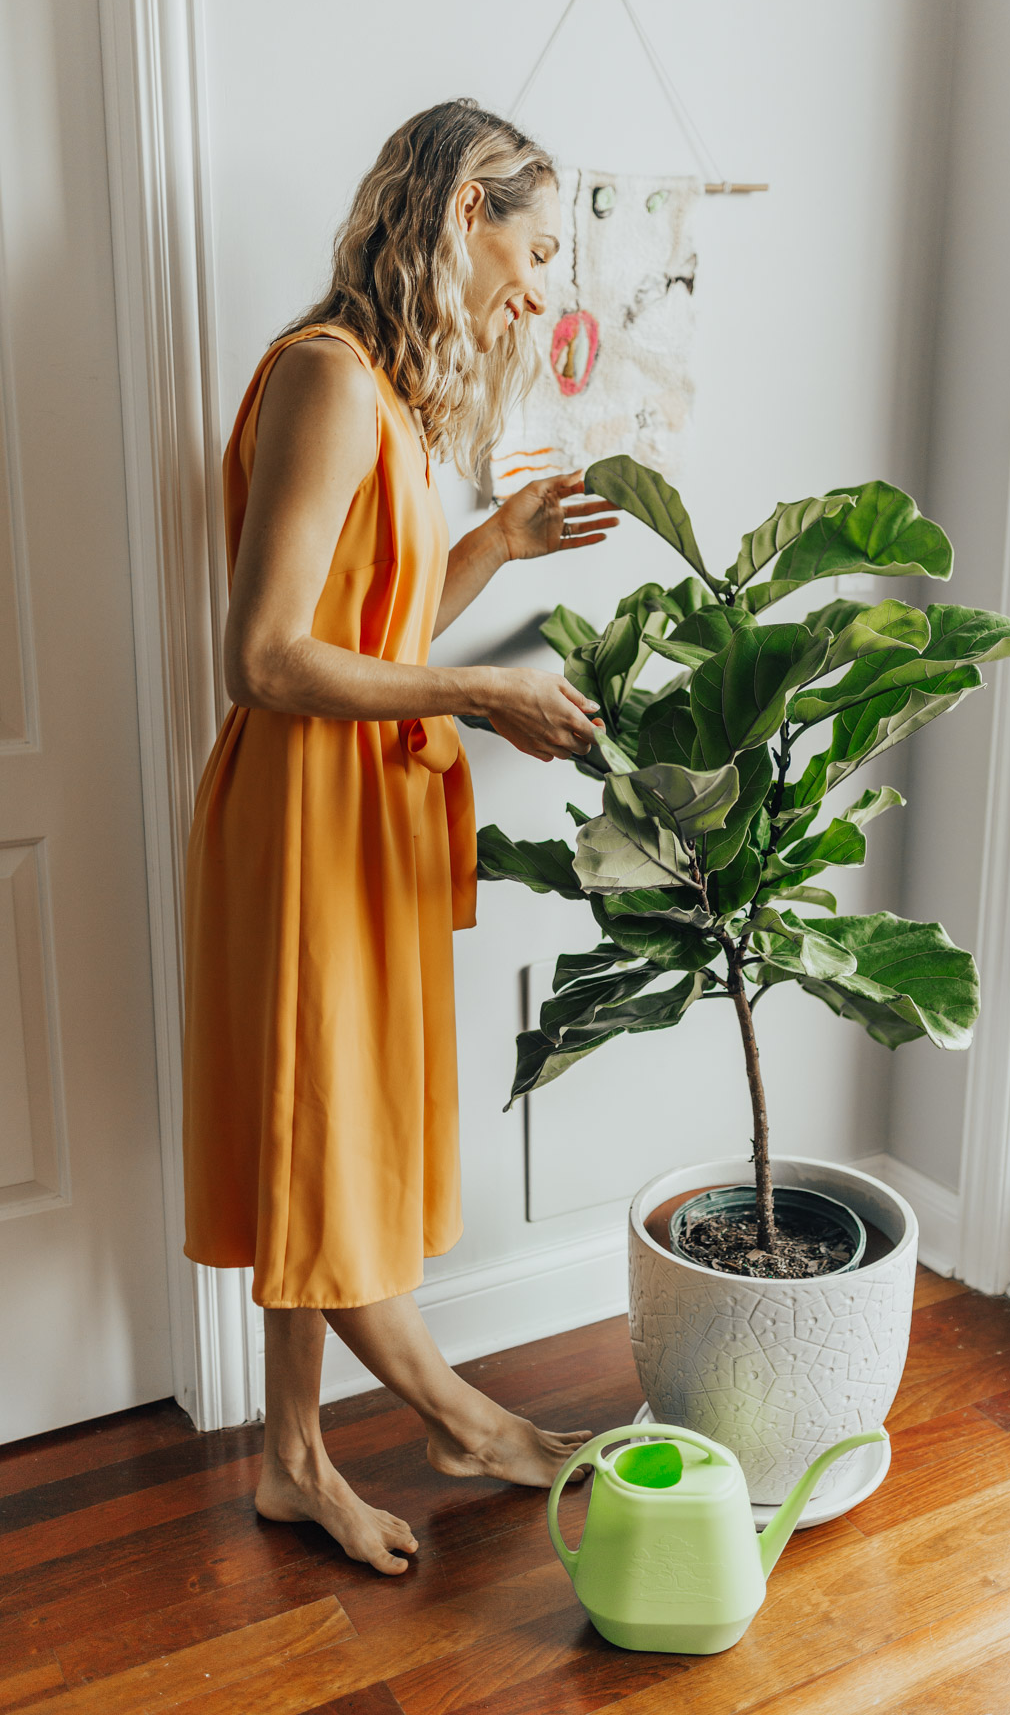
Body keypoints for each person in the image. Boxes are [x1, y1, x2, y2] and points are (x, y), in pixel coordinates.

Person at [182, 99, 618, 1576]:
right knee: (330, 1144)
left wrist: (493, 548)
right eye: (536, 247)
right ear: (459, 219)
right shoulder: (326, 382)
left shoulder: (378, 385)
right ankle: (461, 1418)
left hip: (351, 809)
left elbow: (362, 629)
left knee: (323, 1137)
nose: (545, 288)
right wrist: (487, 695)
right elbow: (263, 659)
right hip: (302, 818)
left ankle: (294, 1459)